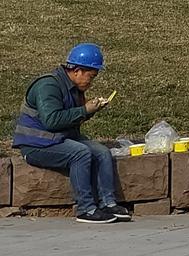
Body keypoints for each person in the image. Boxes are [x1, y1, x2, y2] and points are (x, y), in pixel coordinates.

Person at [12, 43, 129, 224]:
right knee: (80, 153)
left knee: (102, 152)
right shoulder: (48, 86)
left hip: (59, 138)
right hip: (36, 145)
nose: (91, 82)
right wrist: (85, 110)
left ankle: (108, 203)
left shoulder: (74, 87)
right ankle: (86, 209)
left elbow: (70, 119)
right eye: (90, 77)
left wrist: (91, 110)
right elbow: (52, 121)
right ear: (77, 71)